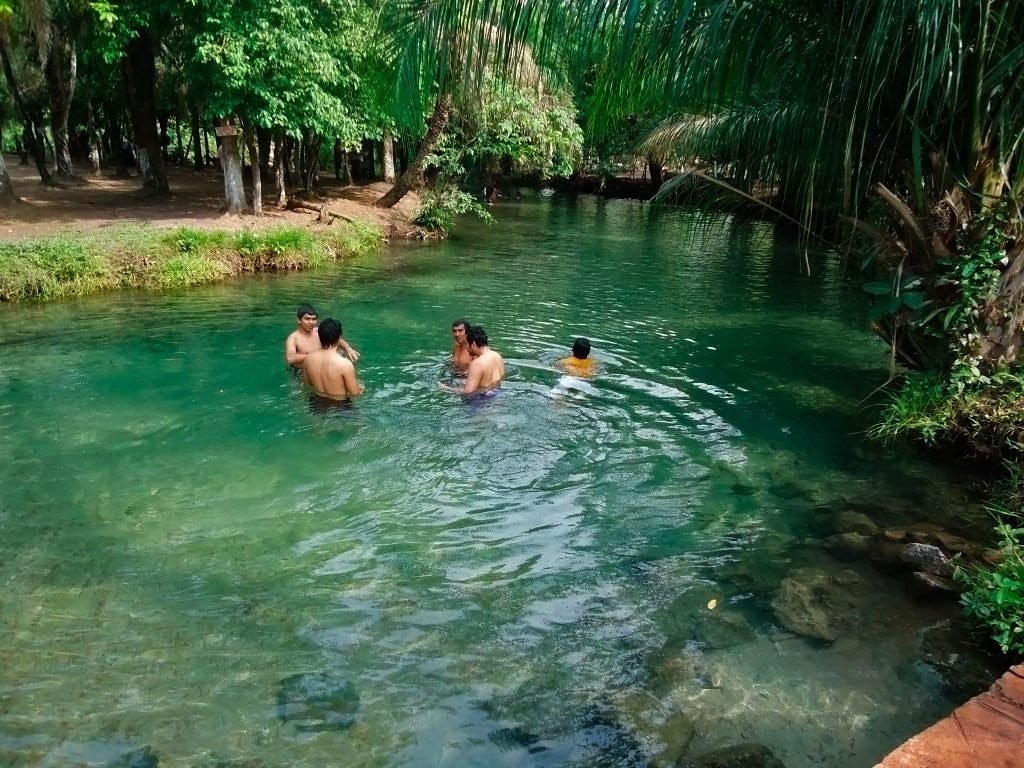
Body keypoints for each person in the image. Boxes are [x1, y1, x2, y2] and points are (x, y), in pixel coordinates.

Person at [302, 318, 364, 401]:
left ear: (320, 336)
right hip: (340, 407)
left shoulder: (308, 359)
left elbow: (308, 384)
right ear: (339, 337)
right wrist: (361, 387)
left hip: (316, 404)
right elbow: (355, 394)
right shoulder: (344, 364)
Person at [285, 304, 359, 368]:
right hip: (303, 372)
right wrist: (319, 355)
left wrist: (348, 348)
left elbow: (336, 339)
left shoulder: (318, 331)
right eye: (307, 319)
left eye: (314, 319)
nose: (311, 322)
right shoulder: (293, 338)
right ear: (298, 320)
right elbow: (290, 358)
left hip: (324, 367)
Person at [440, 325, 504, 395]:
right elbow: (500, 378)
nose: (466, 348)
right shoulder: (497, 356)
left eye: (467, 344)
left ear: (473, 344)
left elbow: (468, 392)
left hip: (481, 401)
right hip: (497, 394)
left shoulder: (477, 363)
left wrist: (445, 388)